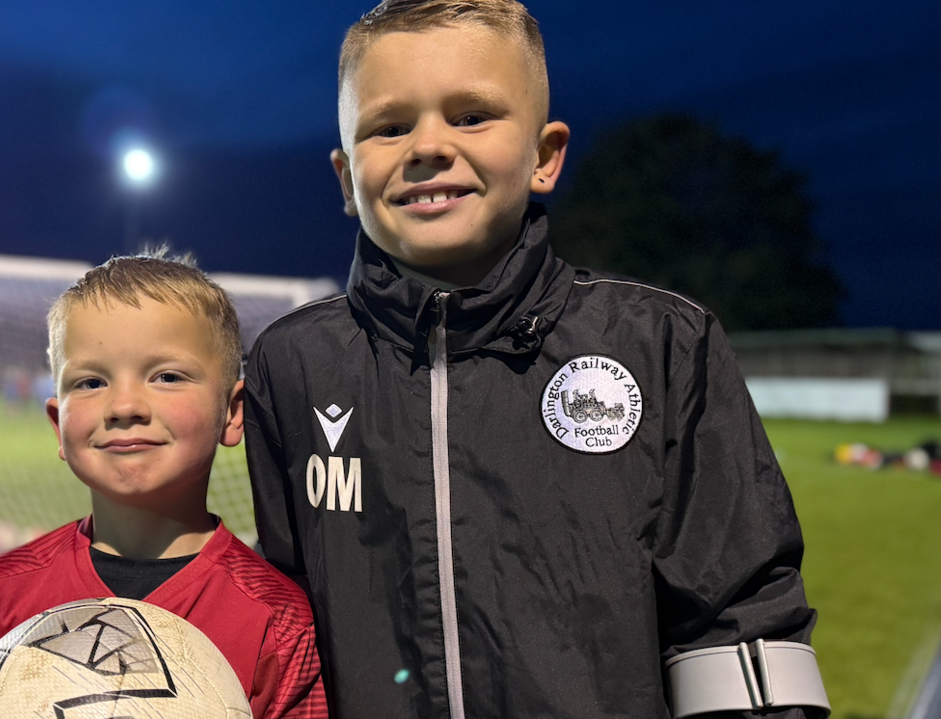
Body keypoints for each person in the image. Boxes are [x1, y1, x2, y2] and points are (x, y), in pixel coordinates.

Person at [244, 1, 824, 717]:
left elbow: (740, 620)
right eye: (389, 126)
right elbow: (285, 622)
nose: (427, 145)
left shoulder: (665, 343)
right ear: (344, 176)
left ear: (545, 156)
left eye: (471, 116)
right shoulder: (289, 363)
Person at [0, 253, 327, 719]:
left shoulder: (278, 619)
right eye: (90, 382)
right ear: (58, 426)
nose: (124, 405)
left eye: (167, 376)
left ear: (232, 413)